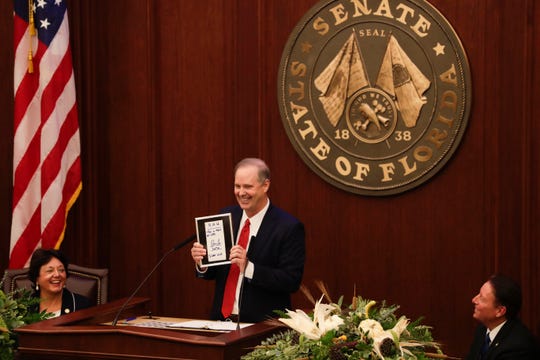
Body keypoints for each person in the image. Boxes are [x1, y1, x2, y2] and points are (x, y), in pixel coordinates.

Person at [190, 158, 305, 323]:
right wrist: (202, 262)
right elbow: (213, 273)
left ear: (265, 185)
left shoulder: (288, 227)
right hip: (220, 322)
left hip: (262, 327)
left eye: (248, 187)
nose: (241, 192)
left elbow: (291, 281)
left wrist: (249, 268)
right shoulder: (226, 216)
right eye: (237, 186)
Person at [466, 274, 539, 360]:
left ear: (500, 311)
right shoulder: (482, 329)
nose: (474, 300)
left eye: (482, 298)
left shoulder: (518, 347)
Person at [28, 248, 91, 317]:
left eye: (61, 270)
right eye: (50, 271)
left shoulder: (82, 306)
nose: (57, 275)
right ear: (36, 278)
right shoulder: (24, 307)